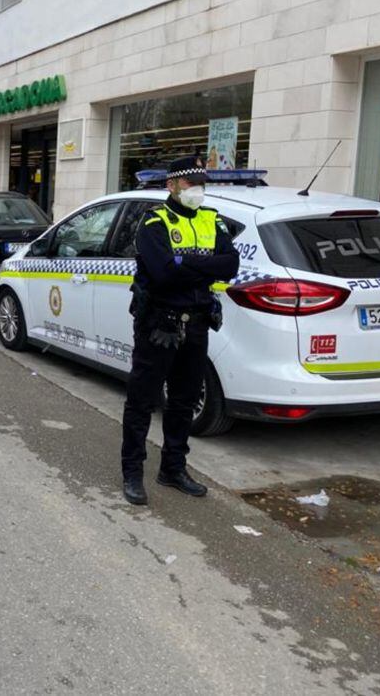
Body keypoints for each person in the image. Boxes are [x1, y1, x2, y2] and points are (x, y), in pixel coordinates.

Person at [121, 155, 239, 506]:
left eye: (201, 184)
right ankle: (132, 473)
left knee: (184, 401)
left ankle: (173, 469)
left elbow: (230, 265)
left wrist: (184, 262)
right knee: (142, 401)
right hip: (159, 323)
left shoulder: (211, 220)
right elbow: (162, 274)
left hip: (197, 322)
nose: (197, 190)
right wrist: (204, 268)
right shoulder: (154, 222)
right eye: (190, 184)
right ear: (172, 185)